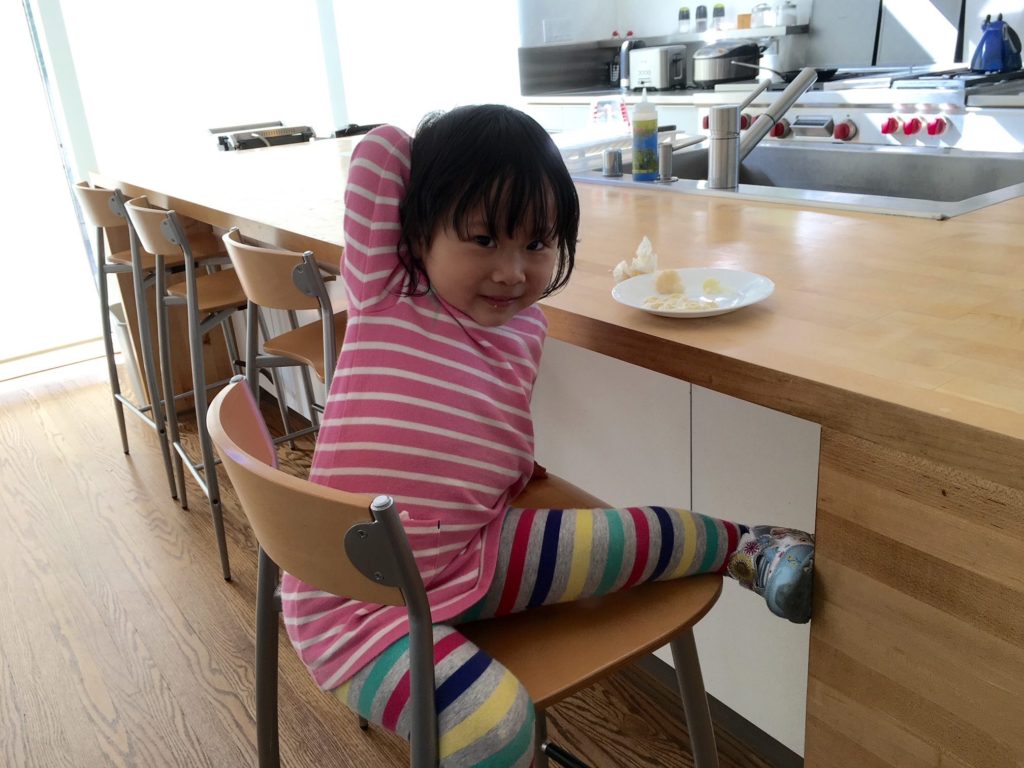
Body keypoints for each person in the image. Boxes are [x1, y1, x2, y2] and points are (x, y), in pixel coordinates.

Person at [283, 104, 815, 767]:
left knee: (623, 534)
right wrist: (452, 155)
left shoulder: (525, 329)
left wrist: (511, 472)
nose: (512, 271)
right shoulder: (387, 291)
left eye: (537, 244)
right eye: (483, 240)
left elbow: (480, 422)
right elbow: (380, 152)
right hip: (359, 604)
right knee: (497, 727)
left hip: (472, 551)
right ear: (419, 234)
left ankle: (749, 547)